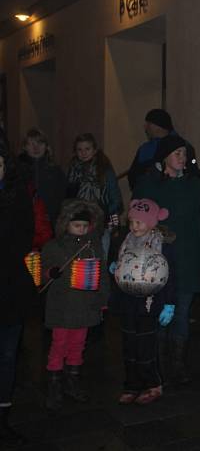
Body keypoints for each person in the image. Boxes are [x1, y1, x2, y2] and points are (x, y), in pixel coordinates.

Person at [133, 135, 200, 384]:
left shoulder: (194, 185)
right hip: (158, 256)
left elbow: (199, 219)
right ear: (165, 157)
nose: (182, 158)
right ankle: (159, 361)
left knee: (182, 311)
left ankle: (178, 363)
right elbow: (138, 217)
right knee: (159, 310)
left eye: (184, 154)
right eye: (177, 153)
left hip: (186, 256)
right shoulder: (149, 184)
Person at [40, 199, 110, 412]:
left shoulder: (94, 245)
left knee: (78, 345)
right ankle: (54, 386)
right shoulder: (53, 246)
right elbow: (42, 273)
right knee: (58, 345)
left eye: (84, 225)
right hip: (61, 306)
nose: (81, 229)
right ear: (65, 224)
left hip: (85, 306)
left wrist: (102, 300)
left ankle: (72, 382)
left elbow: (102, 275)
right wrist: (49, 273)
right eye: (76, 225)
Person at [108, 199, 176, 405]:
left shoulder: (162, 245)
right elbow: (118, 264)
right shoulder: (125, 242)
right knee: (129, 344)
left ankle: (153, 383)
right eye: (132, 222)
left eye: (139, 222)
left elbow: (170, 276)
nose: (134, 226)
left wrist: (169, 304)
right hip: (128, 302)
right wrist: (114, 268)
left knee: (146, 345)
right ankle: (132, 384)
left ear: (152, 222)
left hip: (150, 303)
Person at [0, 147, 36, 446]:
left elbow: (25, 238)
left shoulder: (17, 197)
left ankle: (3, 417)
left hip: (10, 288)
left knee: (8, 355)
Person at [65, 133, 123, 256]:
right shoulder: (73, 170)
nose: (83, 153)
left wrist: (110, 214)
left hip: (100, 220)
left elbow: (114, 194)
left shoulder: (104, 169)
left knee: (101, 254)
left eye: (87, 149)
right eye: (79, 150)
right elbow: (68, 196)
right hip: (79, 219)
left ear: (94, 149)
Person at [127, 108, 197, 192]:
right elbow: (133, 175)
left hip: (177, 195)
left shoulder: (182, 146)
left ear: (157, 126)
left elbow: (192, 171)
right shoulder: (145, 148)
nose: (145, 128)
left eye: (148, 124)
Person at [17, 127, 66, 227]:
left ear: (46, 146)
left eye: (40, 143)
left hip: (50, 221)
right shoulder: (17, 170)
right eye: (31, 144)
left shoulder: (56, 171)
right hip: (23, 221)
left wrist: (53, 215)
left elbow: (61, 199)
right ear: (24, 147)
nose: (36, 148)